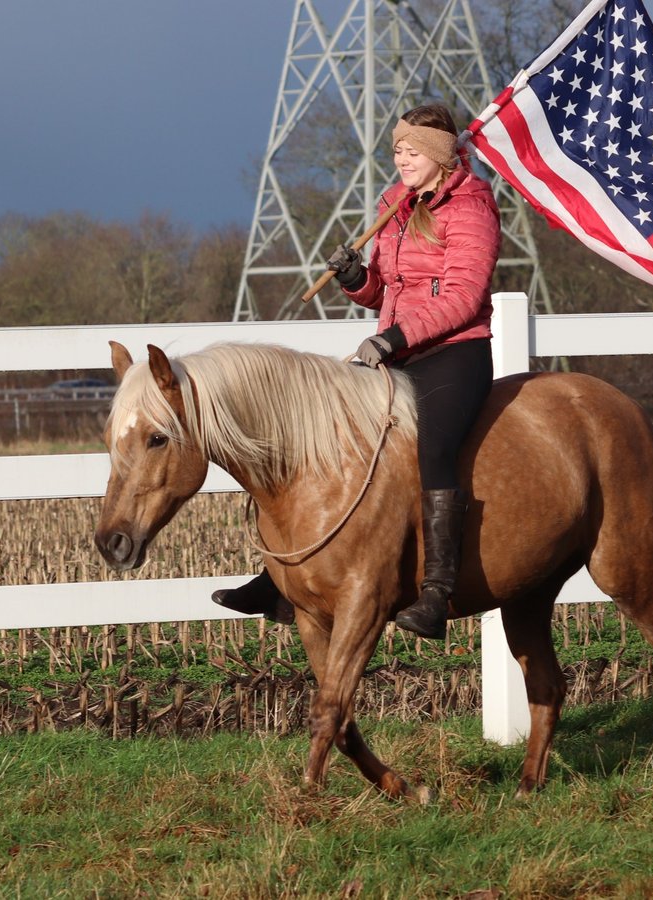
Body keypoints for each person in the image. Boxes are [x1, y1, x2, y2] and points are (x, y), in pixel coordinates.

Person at [213, 103, 501, 640]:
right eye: (397, 150)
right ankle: (281, 577)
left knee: (433, 447)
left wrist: (392, 337)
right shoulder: (394, 202)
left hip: (455, 353)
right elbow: (387, 292)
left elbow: (463, 299)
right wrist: (355, 278)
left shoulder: (471, 208)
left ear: (439, 156)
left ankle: (437, 590)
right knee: (332, 439)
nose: (401, 160)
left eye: (412, 151)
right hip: (397, 351)